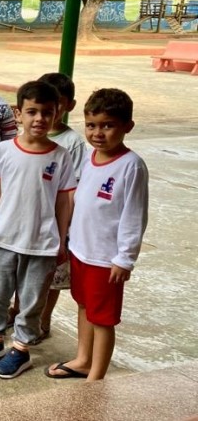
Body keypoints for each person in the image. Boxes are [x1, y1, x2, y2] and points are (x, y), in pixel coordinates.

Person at [0, 80, 76, 379]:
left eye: (47, 112)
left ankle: (20, 349)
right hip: (1, 240)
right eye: (32, 111)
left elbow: (62, 201)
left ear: (57, 113)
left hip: (40, 243)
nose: (39, 119)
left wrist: (61, 240)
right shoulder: (4, 150)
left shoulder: (61, 156)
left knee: (31, 302)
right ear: (19, 113)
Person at [45, 88, 148, 381]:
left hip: (106, 259)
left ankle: (96, 378)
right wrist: (67, 241)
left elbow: (134, 216)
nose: (98, 133)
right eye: (91, 125)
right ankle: (83, 359)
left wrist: (124, 259)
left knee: (102, 319)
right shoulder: (90, 158)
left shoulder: (131, 166)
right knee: (83, 305)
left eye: (108, 125)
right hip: (80, 250)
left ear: (127, 126)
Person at [16, 72, 86, 341]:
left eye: (55, 106)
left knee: (51, 277)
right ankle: (20, 310)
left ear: (67, 106)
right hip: (23, 219)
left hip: (54, 222)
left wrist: (64, 228)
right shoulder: (23, 135)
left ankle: (43, 319)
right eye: (36, 109)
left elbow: (72, 188)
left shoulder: (72, 143)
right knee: (22, 273)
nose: (46, 115)